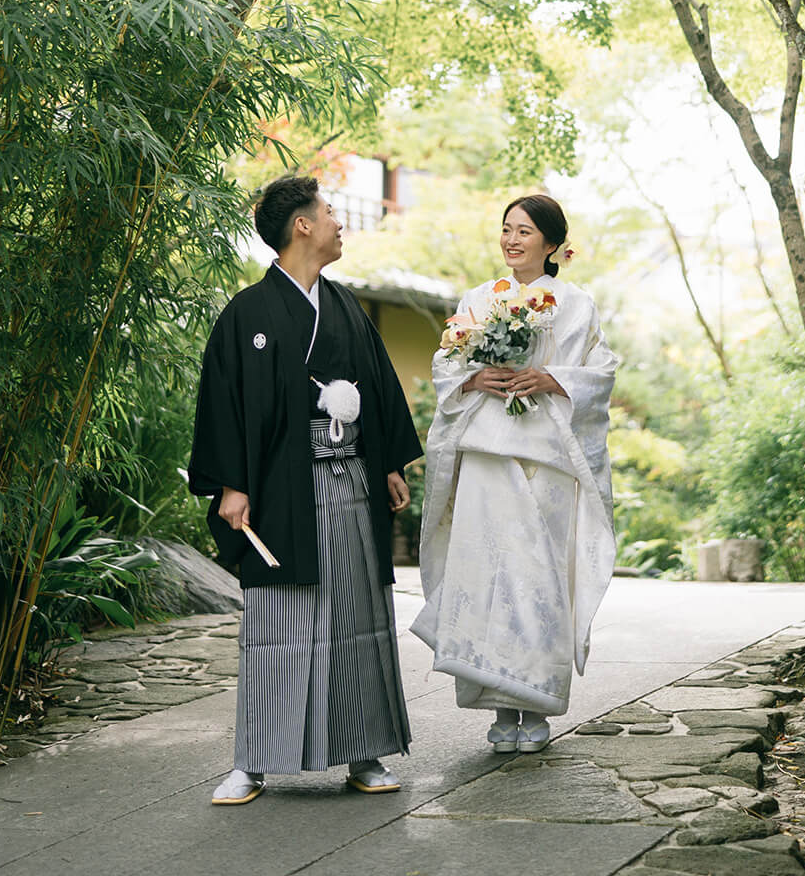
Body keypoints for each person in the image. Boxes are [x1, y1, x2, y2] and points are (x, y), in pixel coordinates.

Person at [188, 174, 422, 803]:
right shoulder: (248, 314)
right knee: (278, 620)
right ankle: (254, 760)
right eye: (329, 212)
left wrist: (391, 463)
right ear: (301, 225)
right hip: (278, 490)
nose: (338, 221)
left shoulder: (345, 307)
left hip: (347, 483)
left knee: (356, 618)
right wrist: (230, 486)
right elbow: (223, 403)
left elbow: (378, 388)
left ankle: (363, 752)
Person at [411, 193, 618, 754]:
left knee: (538, 579)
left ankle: (537, 705)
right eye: (506, 229)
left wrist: (551, 379)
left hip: (547, 456)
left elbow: (599, 372)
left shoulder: (576, 304)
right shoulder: (479, 299)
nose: (511, 240)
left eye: (524, 231)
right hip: (485, 452)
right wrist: (475, 379)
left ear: (552, 244)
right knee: (486, 575)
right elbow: (446, 363)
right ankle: (500, 709)